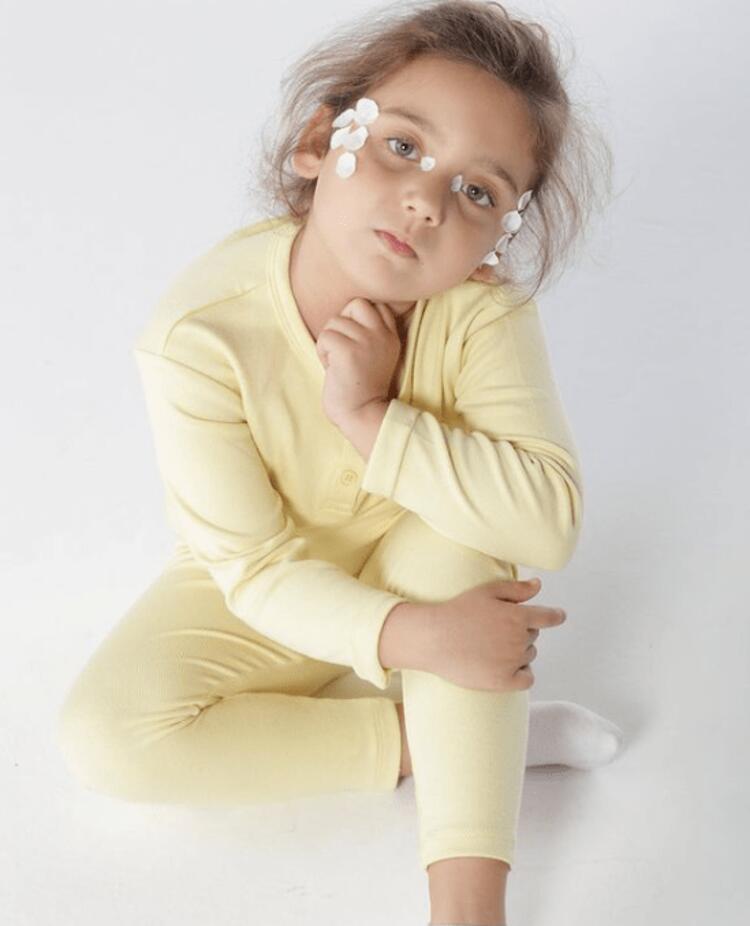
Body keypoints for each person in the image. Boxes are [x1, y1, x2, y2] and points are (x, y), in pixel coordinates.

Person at [56, 2, 624, 924]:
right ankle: (444, 738)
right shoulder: (200, 333)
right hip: (271, 579)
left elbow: (547, 523)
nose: (427, 202)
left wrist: (371, 417)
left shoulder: (481, 312)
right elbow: (255, 568)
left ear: (498, 238)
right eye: (403, 146)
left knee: (458, 538)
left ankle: (469, 908)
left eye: (479, 193)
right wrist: (417, 641)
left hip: (422, 558)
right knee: (105, 736)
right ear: (320, 142)